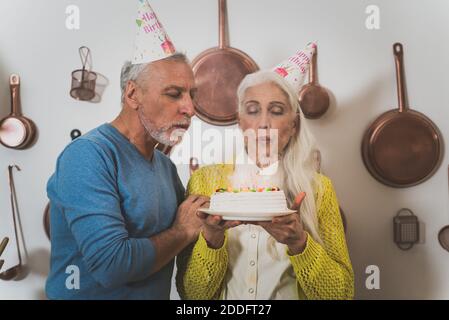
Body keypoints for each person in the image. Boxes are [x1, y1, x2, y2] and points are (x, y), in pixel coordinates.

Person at [46, 1, 207, 299]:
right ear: (133, 94)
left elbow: (194, 225)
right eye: (174, 94)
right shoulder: (87, 156)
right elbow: (111, 265)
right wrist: (183, 231)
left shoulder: (164, 166)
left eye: (191, 95)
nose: (190, 108)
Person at [176, 44, 354, 300]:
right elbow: (192, 296)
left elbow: (342, 295)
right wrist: (212, 237)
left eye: (277, 111)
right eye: (252, 110)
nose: (263, 123)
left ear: (293, 125)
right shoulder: (205, 181)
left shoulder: (318, 189)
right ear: (240, 121)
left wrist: (299, 243)